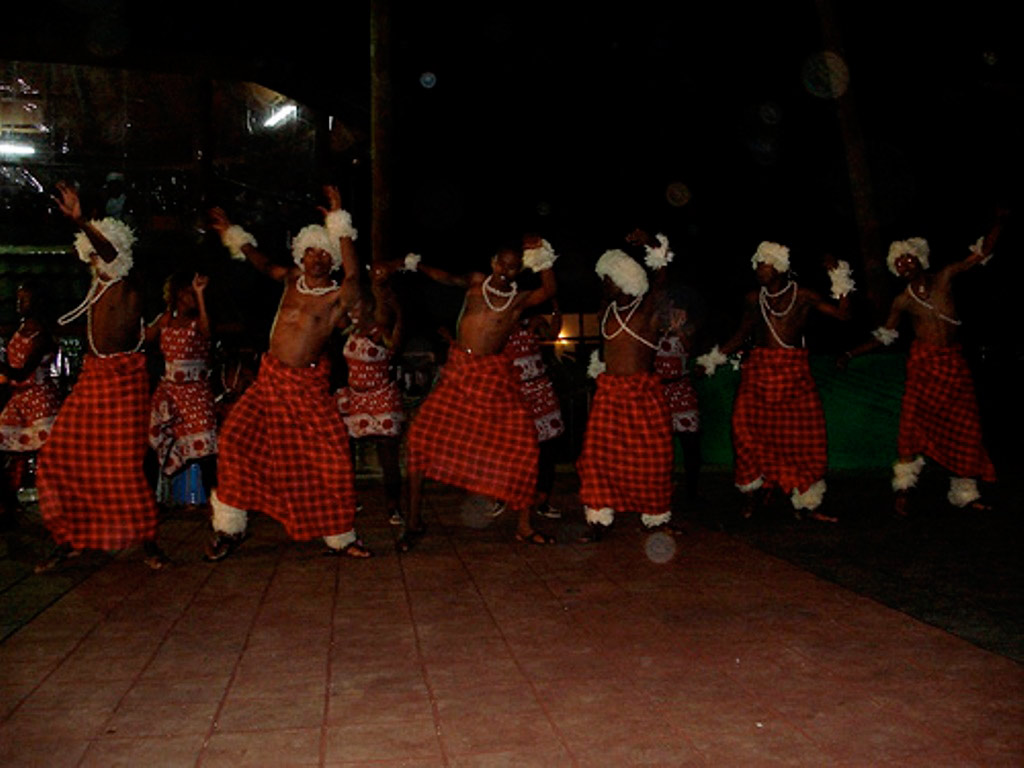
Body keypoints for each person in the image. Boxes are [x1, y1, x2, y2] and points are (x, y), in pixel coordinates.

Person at [205, 185, 370, 560]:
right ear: (301, 253)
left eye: (324, 254)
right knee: (234, 441)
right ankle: (229, 527)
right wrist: (233, 233)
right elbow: (262, 263)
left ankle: (341, 535)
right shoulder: (291, 279)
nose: (317, 259)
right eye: (311, 251)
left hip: (306, 389)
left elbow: (354, 277)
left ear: (332, 259)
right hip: (269, 382)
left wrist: (339, 222)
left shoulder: (336, 298)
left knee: (332, 459)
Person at [35, 181, 168, 571]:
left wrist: (81, 220)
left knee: (122, 467)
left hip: (124, 381)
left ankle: (148, 542)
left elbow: (111, 252)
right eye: (91, 254)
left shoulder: (129, 284)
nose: (96, 259)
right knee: (60, 456)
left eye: (100, 252)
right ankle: (70, 537)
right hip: (92, 379)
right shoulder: (96, 288)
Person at [399, 235, 557, 550]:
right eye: (502, 265)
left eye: (513, 268)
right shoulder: (475, 283)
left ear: (519, 270)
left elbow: (549, 291)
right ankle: (413, 522)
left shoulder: (518, 300)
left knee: (524, 445)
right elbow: (446, 277)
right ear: (493, 263)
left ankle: (524, 526)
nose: (506, 272)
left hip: (493, 377)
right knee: (419, 441)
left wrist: (543, 255)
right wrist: (413, 264)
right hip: (459, 373)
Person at [840, 213, 1005, 514]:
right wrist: (851, 353)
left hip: (953, 364)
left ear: (920, 260)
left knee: (965, 426)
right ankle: (903, 490)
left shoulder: (944, 278)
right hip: (923, 366)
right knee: (911, 424)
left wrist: (998, 223)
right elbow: (885, 336)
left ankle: (965, 493)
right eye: (899, 264)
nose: (904, 266)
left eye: (908, 260)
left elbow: (979, 255)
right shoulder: (902, 300)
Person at [697, 241, 854, 520]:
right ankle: (751, 494)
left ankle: (808, 502)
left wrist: (838, 277)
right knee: (743, 429)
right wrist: (711, 360)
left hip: (793, 373)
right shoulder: (752, 299)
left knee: (805, 438)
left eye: (765, 265)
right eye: (757, 265)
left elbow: (843, 315)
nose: (759, 270)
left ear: (779, 268)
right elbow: (741, 334)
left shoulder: (802, 295)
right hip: (758, 372)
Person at [576, 230, 675, 540]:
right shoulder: (606, 311)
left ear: (626, 280)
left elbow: (661, 280)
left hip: (642, 396)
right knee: (598, 459)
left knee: (652, 460)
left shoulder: (646, 312)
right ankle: (598, 519)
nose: (604, 283)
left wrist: (651, 245)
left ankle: (655, 518)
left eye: (609, 279)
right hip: (609, 396)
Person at [336, 268, 404, 525]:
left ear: (368, 307)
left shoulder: (379, 332)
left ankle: (393, 506)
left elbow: (394, 346)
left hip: (381, 396)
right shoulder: (349, 331)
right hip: (354, 397)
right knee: (346, 453)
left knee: (388, 455)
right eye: (350, 308)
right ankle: (350, 500)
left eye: (357, 307)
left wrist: (398, 312)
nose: (352, 312)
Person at [146, 271, 217, 504]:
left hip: (195, 392)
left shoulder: (199, 322)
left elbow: (208, 333)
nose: (192, 298)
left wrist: (201, 295)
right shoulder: (165, 320)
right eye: (188, 293)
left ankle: (217, 505)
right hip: (169, 392)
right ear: (177, 295)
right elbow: (144, 338)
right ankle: (148, 501)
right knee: (153, 444)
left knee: (206, 450)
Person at [491, 301, 566, 520]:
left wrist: (556, 311)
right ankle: (502, 497)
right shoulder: (498, 326)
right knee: (510, 448)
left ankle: (543, 500)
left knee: (546, 449)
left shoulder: (533, 322)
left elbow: (551, 334)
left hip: (540, 390)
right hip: (513, 394)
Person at [0, 281, 60, 520]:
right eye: (18, 299)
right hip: (20, 399)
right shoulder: (22, 328)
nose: (19, 304)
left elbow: (22, 372)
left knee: (46, 456)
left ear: (37, 302)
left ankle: (55, 505)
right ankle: (8, 503)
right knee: (9, 449)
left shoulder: (42, 335)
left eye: (24, 299)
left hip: (40, 400)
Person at [654, 299, 702, 506]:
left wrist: (679, 332)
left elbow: (692, 350)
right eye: (670, 310)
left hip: (682, 390)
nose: (674, 315)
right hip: (658, 393)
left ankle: (692, 492)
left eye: (679, 311)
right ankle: (662, 490)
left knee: (690, 443)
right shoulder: (653, 331)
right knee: (659, 447)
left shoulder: (688, 331)